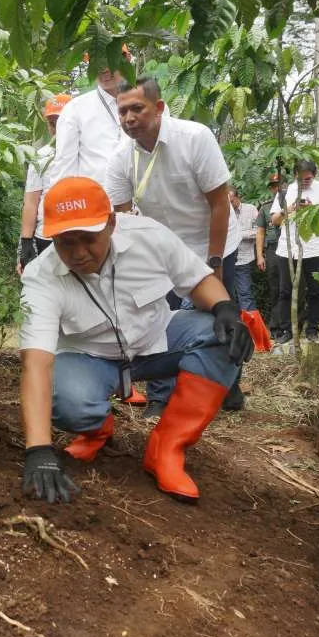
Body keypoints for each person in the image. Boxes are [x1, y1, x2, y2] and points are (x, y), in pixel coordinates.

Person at [18, 177, 253, 503]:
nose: (79, 253)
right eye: (65, 243)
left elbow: (197, 279)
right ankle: (96, 426)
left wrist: (226, 309)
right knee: (68, 399)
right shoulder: (40, 276)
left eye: (88, 239)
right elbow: (36, 362)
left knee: (217, 335)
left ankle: (166, 449)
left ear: (111, 223)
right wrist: (39, 450)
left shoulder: (149, 237)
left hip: (156, 343)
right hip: (90, 358)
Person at [99, 77, 244, 414]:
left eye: (137, 108)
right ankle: (161, 399)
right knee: (157, 321)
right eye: (122, 112)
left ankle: (228, 387)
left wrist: (215, 261)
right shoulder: (121, 158)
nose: (129, 118)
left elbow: (219, 203)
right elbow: (120, 219)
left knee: (221, 316)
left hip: (214, 240)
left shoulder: (194, 138)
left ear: (159, 108)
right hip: (163, 253)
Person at [271, 160, 319, 343]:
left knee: (316, 291)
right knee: (285, 292)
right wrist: (291, 209)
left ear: (315, 174)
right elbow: (275, 220)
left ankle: (312, 331)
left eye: (308, 179)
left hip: (316, 248)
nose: (304, 182)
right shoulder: (285, 192)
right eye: (301, 179)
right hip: (287, 249)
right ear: (295, 175)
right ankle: (287, 331)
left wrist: (314, 210)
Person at [17, 93, 71, 274]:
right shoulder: (41, 156)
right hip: (46, 236)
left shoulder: (85, 151)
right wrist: (25, 244)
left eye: (61, 123)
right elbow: (31, 202)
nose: (56, 129)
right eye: (52, 124)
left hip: (77, 235)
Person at [48, 63, 125, 184]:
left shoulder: (148, 102)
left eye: (109, 59)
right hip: (97, 200)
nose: (104, 69)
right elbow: (64, 167)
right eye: (96, 62)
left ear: (127, 59)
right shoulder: (75, 108)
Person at [255, 172, 287, 340]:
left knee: (288, 288)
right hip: (273, 249)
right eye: (274, 186)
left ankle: (290, 326)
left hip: (291, 249)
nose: (277, 188)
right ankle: (275, 327)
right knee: (275, 289)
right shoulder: (266, 208)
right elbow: (260, 233)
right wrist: (260, 256)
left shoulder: (294, 203)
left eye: (279, 185)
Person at [231, 190, 259, 311]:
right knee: (228, 296)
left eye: (231, 201)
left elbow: (259, 231)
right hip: (226, 260)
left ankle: (250, 326)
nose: (229, 204)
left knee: (245, 294)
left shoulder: (251, 209)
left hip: (244, 259)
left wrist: (238, 234)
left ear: (238, 197)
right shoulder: (223, 210)